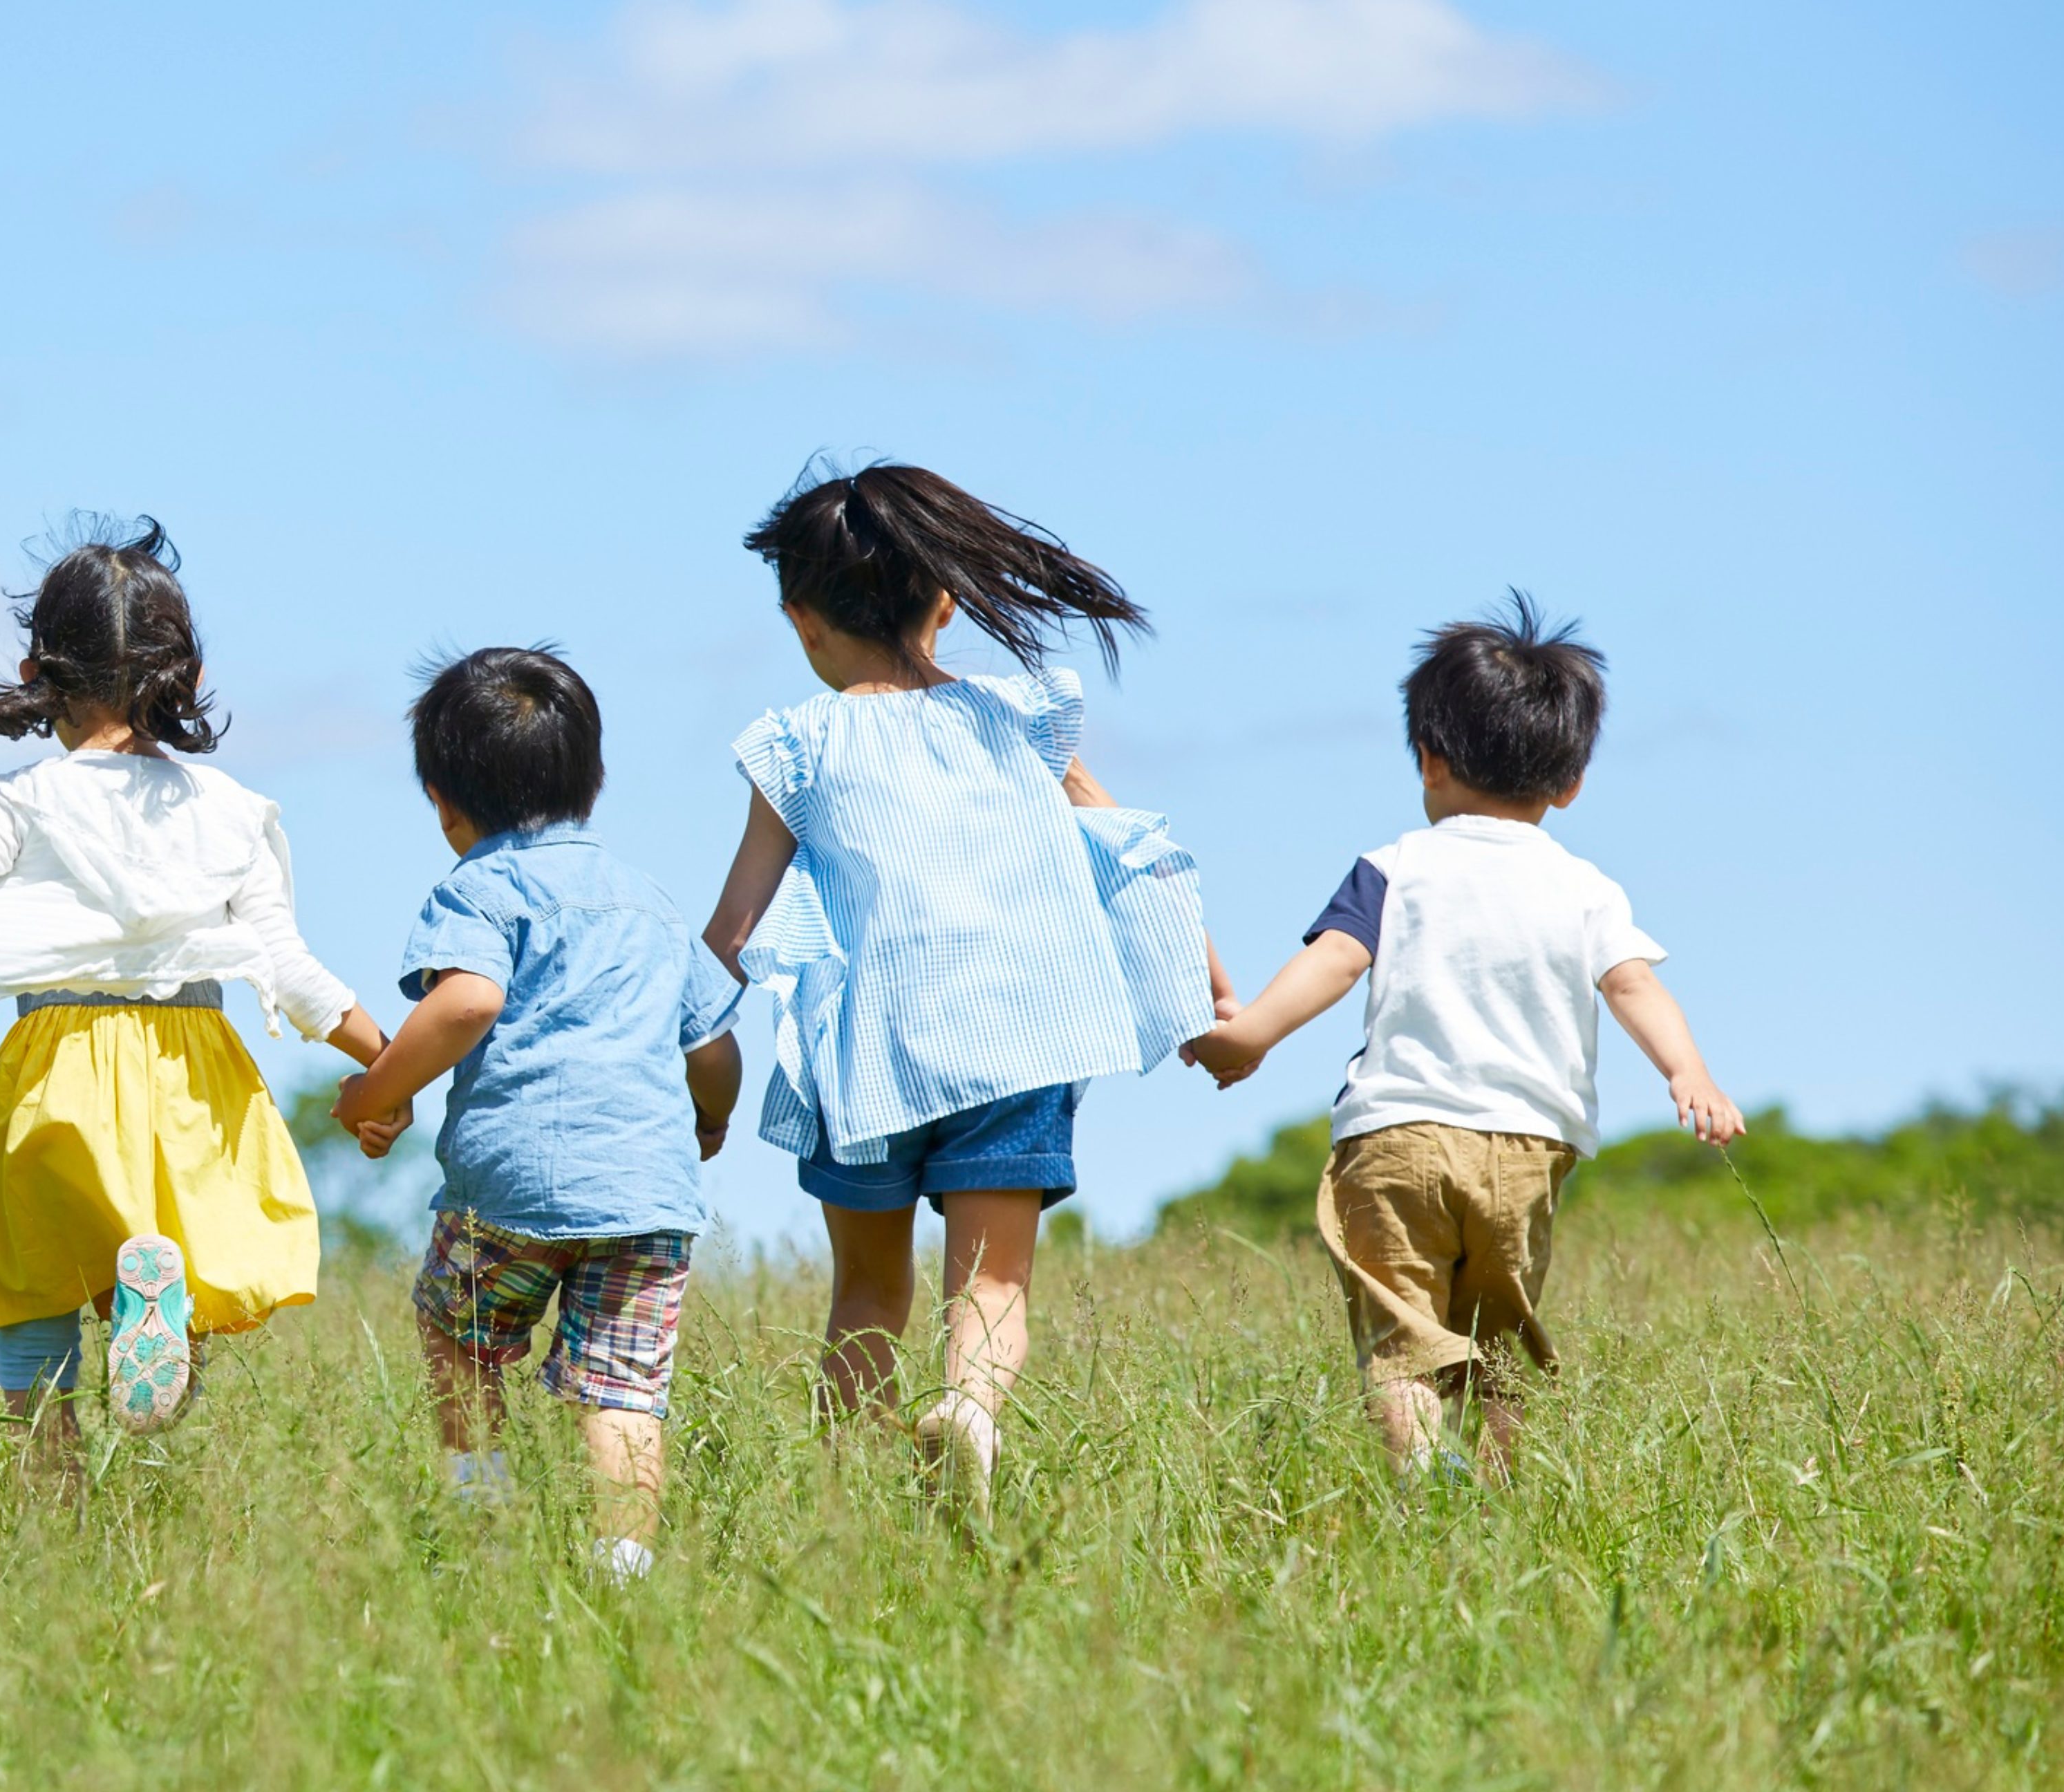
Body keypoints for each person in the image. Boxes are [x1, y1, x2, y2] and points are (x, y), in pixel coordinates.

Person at [0, 519, 386, 1464]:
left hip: (58, 1072)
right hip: (194, 1081)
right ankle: (156, 1308)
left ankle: (49, 1523)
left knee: (31, 1292)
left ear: (36, 667)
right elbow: (290, 970)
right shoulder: (230, 812)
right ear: (180, 671)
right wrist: (392, 1066)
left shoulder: (21, 804)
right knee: (184, 1288)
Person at [701, 460, 1229, 1520]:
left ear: (802, 621)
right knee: (990, 1287)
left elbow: (734, 930)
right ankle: (970, 1415)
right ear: (948, 600)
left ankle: (844, 1503)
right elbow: (1125, 845)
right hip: (1016, 1040)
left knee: (865, 1294)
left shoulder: (799, 743)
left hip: (866, 1059)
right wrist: (1207, 981)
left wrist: (694, 1066)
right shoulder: (1021, 715)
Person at [1186, 595, 1741, 1481]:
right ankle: (1499, 1495)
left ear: (1429, 759)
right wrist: (1691, 1074)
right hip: (1527, 1146)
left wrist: (1248, 1034)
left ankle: (1420, 1489)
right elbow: (1634, 983)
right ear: (1570, 783)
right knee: (1501, 1336)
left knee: (1402, 1334)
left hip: (1397, 1135)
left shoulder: (1395, 866)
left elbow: (1334, 964)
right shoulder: (1584, 886)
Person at [332, 648, 742, 1580]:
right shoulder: (651, 903)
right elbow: (713, 1050)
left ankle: (482, 1524)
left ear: (443, 800)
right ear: (591, 784)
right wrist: (707, 1121)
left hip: (507, 1189)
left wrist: (374, 1091)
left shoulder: (479, 888)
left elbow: (467, 1002)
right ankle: (622, 1570)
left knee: (459, 1333)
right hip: (648, 1195)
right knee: (623, 1393)